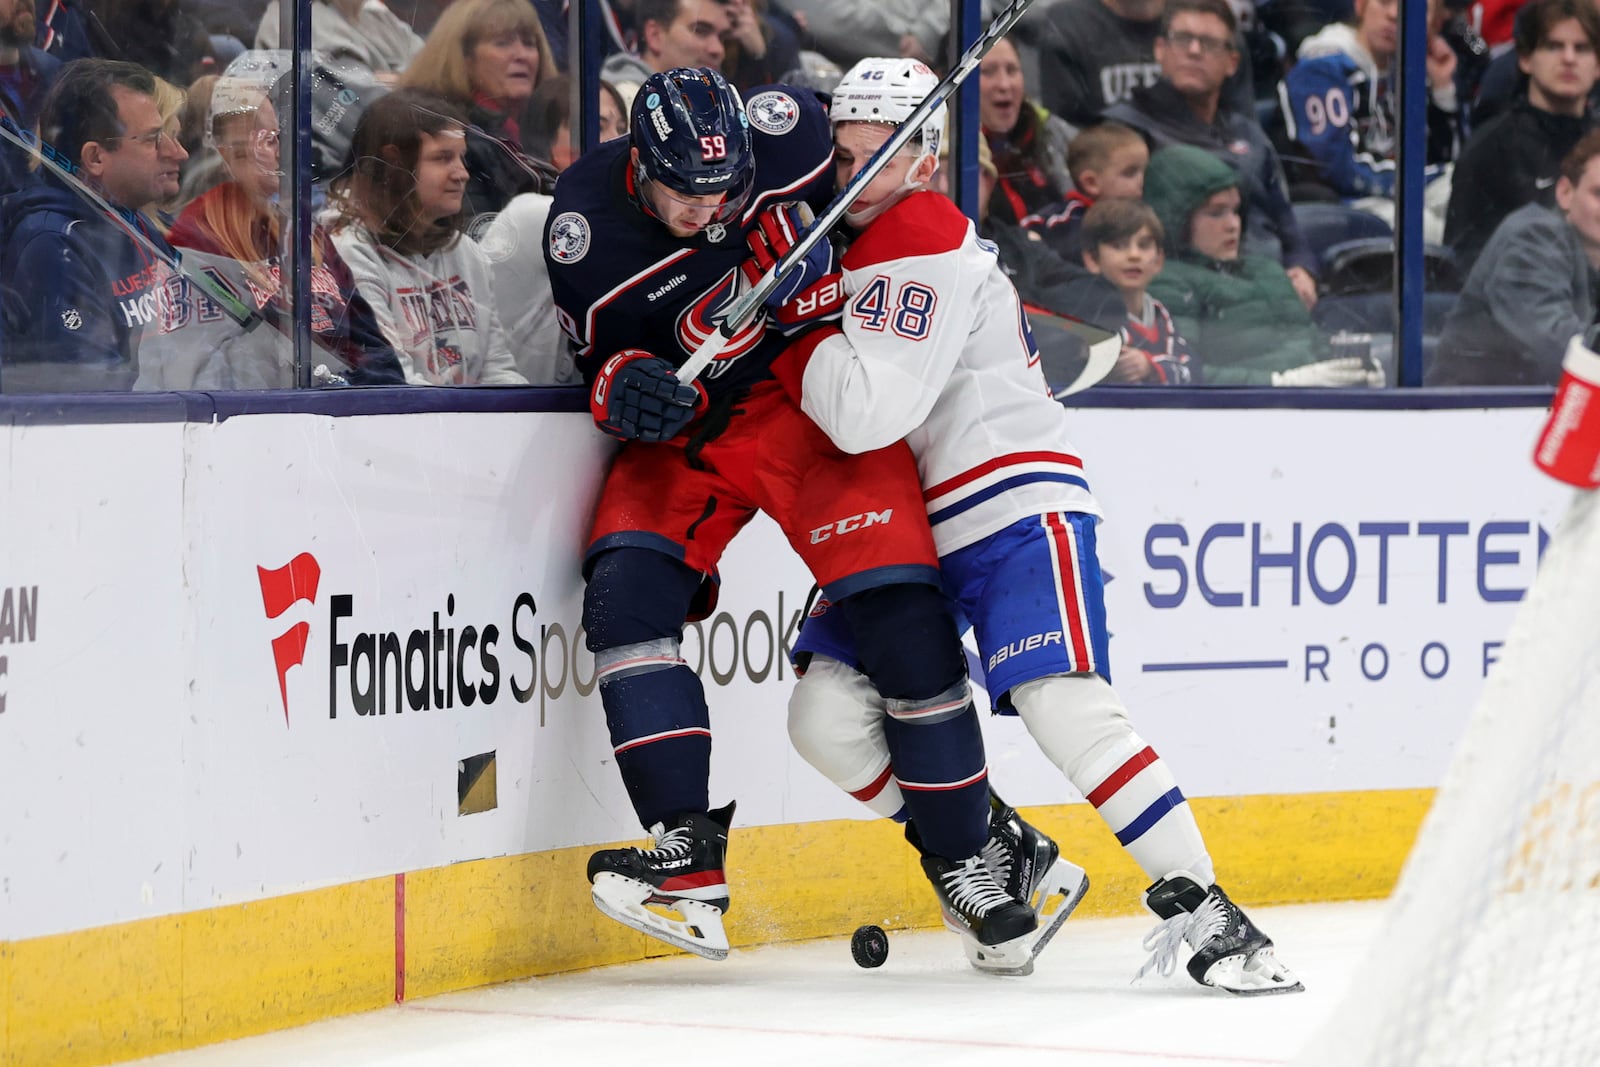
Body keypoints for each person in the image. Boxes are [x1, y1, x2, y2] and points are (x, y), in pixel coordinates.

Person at [778, 56, 1300, 995]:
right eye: (845, 155)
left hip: (1009, 500)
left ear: (927, 159)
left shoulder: (923, 235)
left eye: (878, 157)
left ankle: (1213, 910)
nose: (855, 176)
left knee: (1065, 705)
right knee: (822, 721)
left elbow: (862, 414)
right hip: (905, 523)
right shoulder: (856, 238)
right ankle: (995, 848)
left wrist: (796, 323)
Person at [544, 66, 1039, 963]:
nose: (710, 211)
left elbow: (880, 155)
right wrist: (624, 388)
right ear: (636, 167)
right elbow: (603, 364)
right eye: (684, 197)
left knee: (899, 611)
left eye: (725, 189)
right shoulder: (585, 229)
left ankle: (978, 854)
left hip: (810, 395)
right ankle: (687, 856)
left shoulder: (791, 129)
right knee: (623, 587)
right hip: (700, 431)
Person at [138, 53, 402, 388]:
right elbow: (217, 376)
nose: (282, 149)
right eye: (268, 139)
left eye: (279, 136)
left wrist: (371, 399)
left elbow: (372, 347)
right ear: (226, 151)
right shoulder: (195, 240)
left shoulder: (303, 231)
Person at [1102, 0, 1318, 305]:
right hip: (1200, 299)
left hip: (1276, 287)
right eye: (1182, 39)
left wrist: (1301, 268)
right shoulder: (1129, 134)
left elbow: (1285, 219)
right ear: (1160, 50)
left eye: (1208, 43)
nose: (1193, 51)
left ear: (1232, 62)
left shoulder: (1248, 133)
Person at [0, 58, 186, 392]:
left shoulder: (133, 219)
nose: (177, 152)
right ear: (96, 158)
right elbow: (97, 398)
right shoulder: (53, 245)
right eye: (153, 139)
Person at [328, 88, 525, 386]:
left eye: (462, 158)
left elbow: (498, 370)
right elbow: (394, 382)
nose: (462, 174)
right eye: (443, 158)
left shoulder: (466, 253)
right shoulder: (345, 252)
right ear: (393, 165)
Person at [1143, 143, 1382, 386]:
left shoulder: (1267, 271)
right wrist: (1277, 382)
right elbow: (1182, 375)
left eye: (1236, 211)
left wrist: (1354, 371)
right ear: (1176, 220)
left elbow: (1313, 347)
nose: (1233, 224)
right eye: (1216, 213)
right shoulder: (1167, 284)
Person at [1429, 130, 1600, 386]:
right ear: (1565, 192)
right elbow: (1562, 353)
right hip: (1468, 417)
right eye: (1599, 194)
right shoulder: (1533, 238)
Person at [1445, 0, 1600, 276]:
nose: (1569, 58)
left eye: (1582, 48)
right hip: (1517, 302)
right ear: (1526, 58)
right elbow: (1461, 262)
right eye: (1553, 46)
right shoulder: (1489, 147)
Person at [1279, 0, 1461, 220]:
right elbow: (1338, 171)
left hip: (1404, 189)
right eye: (1384, 1)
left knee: (1466, 197)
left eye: (1414, 8)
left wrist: (1442, 88)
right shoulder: (1322, 69)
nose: (1394, 14)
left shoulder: (1408, 67)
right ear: (1360, 5)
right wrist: (1427, 179)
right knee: (1430, 225)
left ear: (1435, 25)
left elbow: (1447, 159)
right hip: (1349, 205)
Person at [399, 0, 559, 221]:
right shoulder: (452, 137)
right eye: (503, 43)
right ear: (463, 57)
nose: (522, 55)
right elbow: (478, 233)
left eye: (530, 44)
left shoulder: (542, 128)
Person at [1029, 0, 1254, 129]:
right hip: (1108, 177)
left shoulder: (1207, 21)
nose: (1194, 49)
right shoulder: (1068, 23)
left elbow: (1242, 129)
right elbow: (1066, 136)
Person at [1080, 196, 1196, 384]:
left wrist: (1150, 366)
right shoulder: (1092, 316)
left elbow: (1193, 368)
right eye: (1119, 245)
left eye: (1144, 245)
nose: (1134, 255)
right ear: (1093, 259)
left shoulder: (1161, 314)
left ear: (1158, 260)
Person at [980, 35, 1079, 230]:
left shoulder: (1052, 134)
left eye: (1012, 70)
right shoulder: (943, 156)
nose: (1004, 84)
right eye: (988, 72)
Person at [1020, 121, 1147, 263]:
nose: (1141, 181)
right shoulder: (1061, 226)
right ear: (1091, 183)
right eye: (1129, 173)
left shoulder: (1142, 220)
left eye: (1144, 172)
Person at [255, 0, 422, 84]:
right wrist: (412, 79)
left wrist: (400, 79)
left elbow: (432, 63)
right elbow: (360, 96)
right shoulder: (294, 18)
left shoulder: (373, 12)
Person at [599, 0, 729, 106]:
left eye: (723, 38)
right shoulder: (619, 104)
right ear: (655, 35)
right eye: (700, 30)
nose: (718, 49)